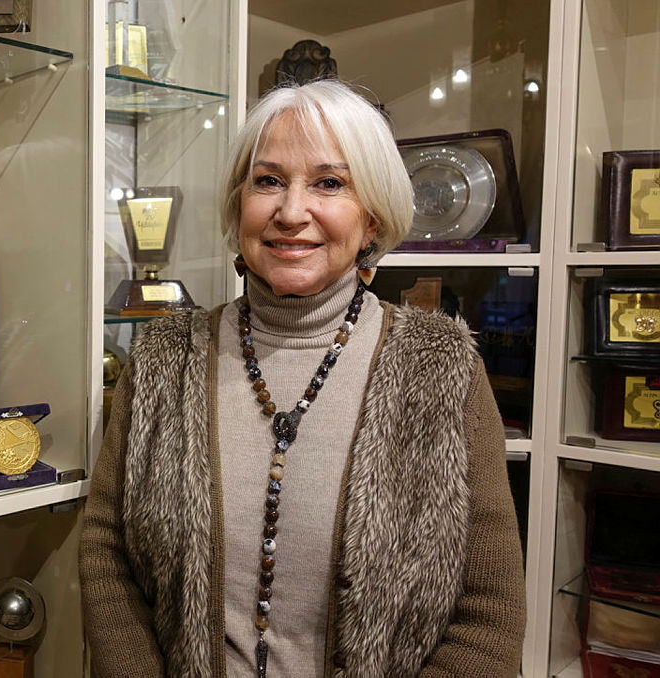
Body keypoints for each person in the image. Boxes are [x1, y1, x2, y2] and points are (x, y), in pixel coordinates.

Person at [79, 79, 526, 677]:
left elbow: (489, 610)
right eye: (267, 181)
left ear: (373, 219)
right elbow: (108, 553)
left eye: (329, 183)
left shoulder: (441, 367)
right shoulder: (163, 359)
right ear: (239, 204)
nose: (291, 212)